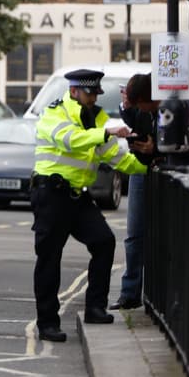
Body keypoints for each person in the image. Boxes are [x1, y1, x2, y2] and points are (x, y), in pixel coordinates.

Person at [31, 69, 147, 341]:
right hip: (51, 192)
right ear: (74, 91)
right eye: (89, 93)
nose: (94, 98)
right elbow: (70, 140)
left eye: (96, 94)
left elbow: (116, 157)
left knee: (104, 242)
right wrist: (106, 133)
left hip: (77, 196)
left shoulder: (97, 118)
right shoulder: (55, 112)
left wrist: (147, 165)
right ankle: (47, 323)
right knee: (50, 258)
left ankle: (95, 307)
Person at [112, 73, 159, 311]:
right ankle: (130, 294)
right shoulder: (141, 108)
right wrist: (126, 106)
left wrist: (155, 147)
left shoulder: (168, 105)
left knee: (162, 236)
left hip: (163, 170)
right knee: (133, 235)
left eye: (139, 103)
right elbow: (134, 119)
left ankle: (158, 294)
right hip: (140, 170)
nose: (140, 108)